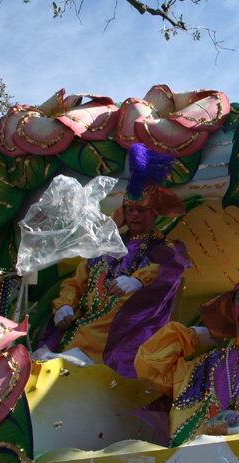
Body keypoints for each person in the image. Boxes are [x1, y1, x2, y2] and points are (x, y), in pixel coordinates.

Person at [40, 144, 189, 377]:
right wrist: (64, 305)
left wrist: (138, 282)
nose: (134, 215)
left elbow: (169, 272)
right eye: (130, 209)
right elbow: (76, 281)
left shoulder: (167, 248)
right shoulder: (105, 246)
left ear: (155, 212)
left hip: (121, 339)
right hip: (75, 330)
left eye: (141, 209)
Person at [135, 257, 239, 447]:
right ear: (231, 308)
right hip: (192, 462)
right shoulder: (205, 363)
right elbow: (150, 364)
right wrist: (195, 335)